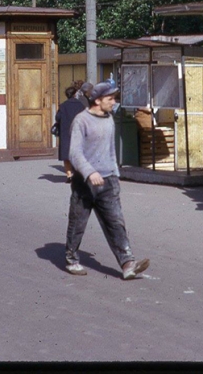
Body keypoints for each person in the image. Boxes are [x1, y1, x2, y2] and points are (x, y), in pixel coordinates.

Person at [65, 81, 150, 280]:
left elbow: (110, 151)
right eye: (110, 98)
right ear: (97, 100)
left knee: (116, 223)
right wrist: (89, 172)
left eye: (114, 98)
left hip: (108, 181)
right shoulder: (81, 121)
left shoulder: (109, 119)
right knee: (78, 223)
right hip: (84, 183)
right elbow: (74, 153)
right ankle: (71, 259)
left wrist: (114, 174)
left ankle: (128, 264)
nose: (113, 102)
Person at [56, 83, 90, 183]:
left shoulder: (63, 105)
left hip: (65, 132)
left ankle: (69, 175)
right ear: (75, 94)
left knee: (66, 155)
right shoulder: (81, 105)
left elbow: (58, 118)